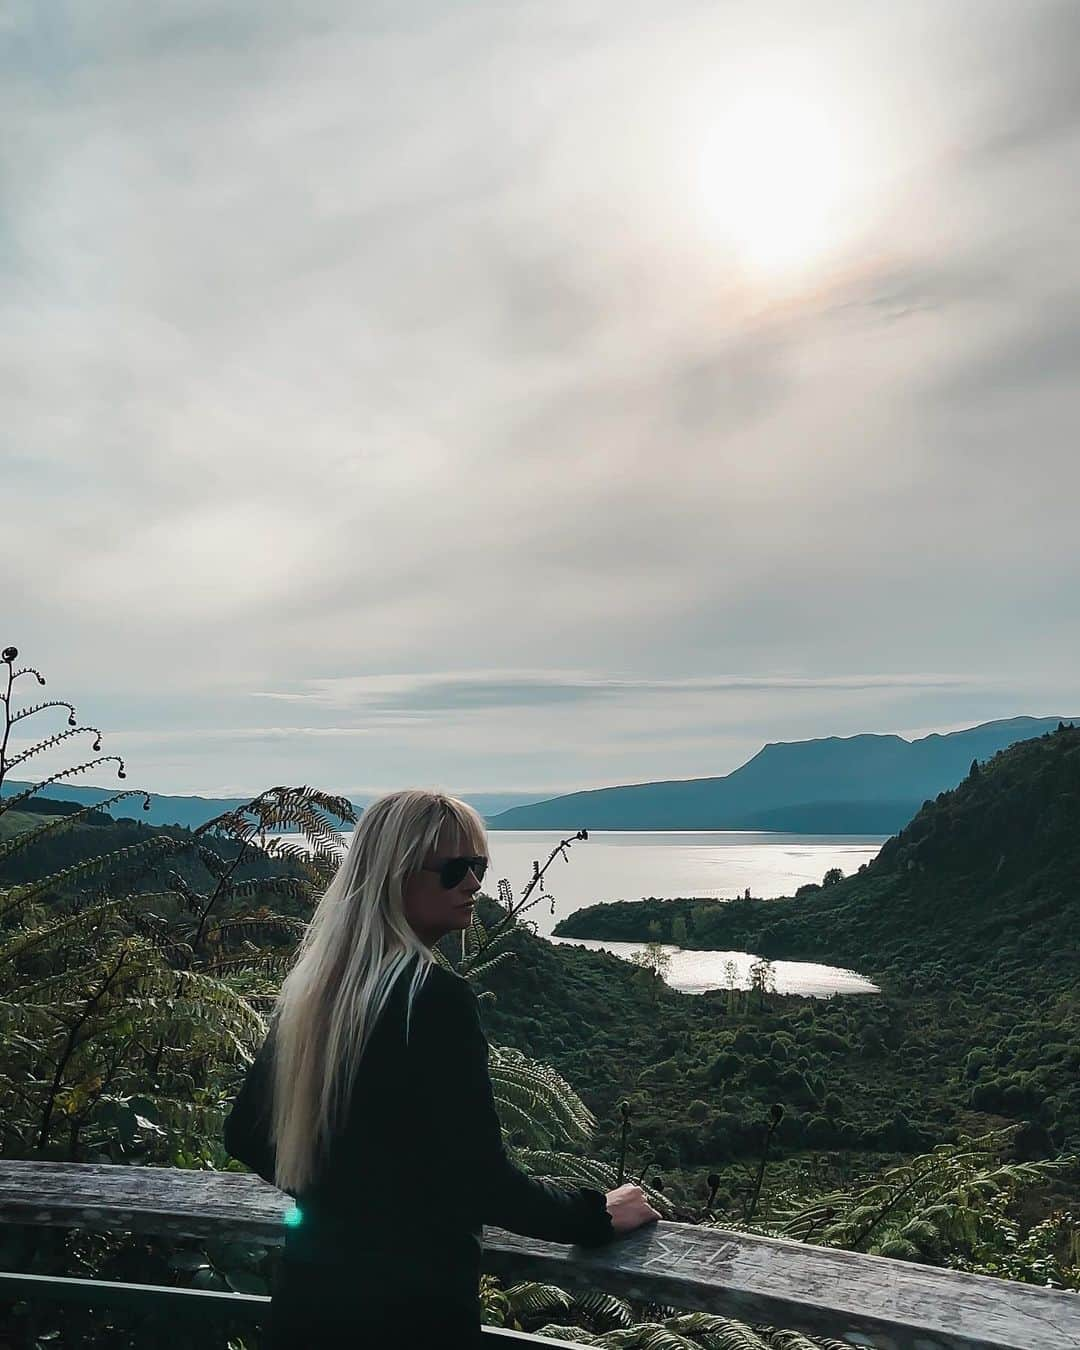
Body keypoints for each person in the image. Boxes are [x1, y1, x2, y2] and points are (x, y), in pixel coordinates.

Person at [223, 788, 660, 1348]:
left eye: (478, 867)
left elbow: (247, 1136)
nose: (473, 884)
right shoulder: (430, 999)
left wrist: (343, 1199)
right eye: (455, 869)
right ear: (395, 875)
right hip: (408, 1313)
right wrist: (596, 1214)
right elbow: (482, 1182)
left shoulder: (318, 991)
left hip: (308, 1300)